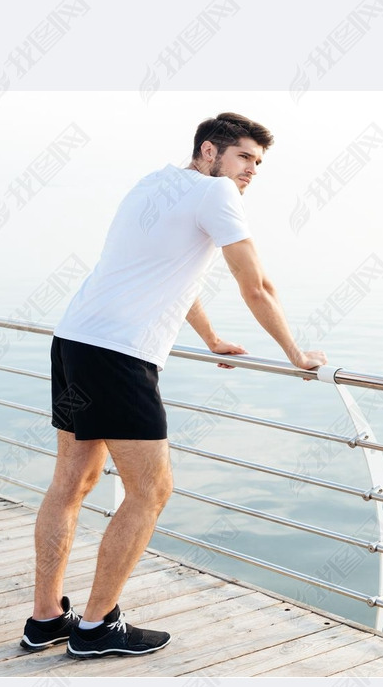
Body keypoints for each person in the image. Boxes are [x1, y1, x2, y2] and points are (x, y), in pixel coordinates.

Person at [19, 111, 327, 659]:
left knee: (70, 483)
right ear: (209, 152)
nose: (252, 171)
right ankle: (95, 629)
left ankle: (46, 620)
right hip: (118, 357)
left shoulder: (152, 184)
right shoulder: (218, 196)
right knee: (152, 490)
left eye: (258, 162)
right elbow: (255, 284)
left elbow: (166, 272)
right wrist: (296, 354)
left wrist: (209, 338)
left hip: (74, 343)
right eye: (244, 158)